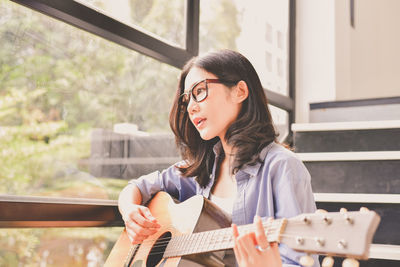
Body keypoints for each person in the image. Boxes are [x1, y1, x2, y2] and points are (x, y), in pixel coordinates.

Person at [118, 49, 319, 266]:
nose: (191, 107)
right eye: (187, 100)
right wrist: (129, 211)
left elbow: (303, 261)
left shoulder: (283, 167)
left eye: (200, 91)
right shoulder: (198, 169)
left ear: (240, 91)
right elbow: (136, 187)